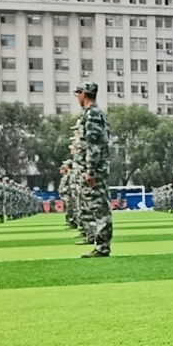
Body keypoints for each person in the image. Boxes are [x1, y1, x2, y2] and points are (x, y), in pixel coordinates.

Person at [74, 81, 113, 257]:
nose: (77, 97)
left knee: (99, 207)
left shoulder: (92, 115)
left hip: (95, 169)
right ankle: (99, 243)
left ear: (84, 94)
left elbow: (93, 145)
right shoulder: (94, 114)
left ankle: (102, 246)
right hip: (96, 167)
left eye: (78, 93)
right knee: (95, 206)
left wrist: (90, 170)